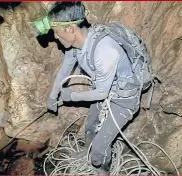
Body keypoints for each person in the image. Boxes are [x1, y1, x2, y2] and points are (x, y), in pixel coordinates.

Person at [32, 2, 143, 169]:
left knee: (99, 150)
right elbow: (65, 70)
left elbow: (100, 94)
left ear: (71, 29)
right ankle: (89, 156)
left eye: (56, 32)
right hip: (105, 90)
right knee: (90, 128)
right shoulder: (75, 46)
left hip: (123, 100)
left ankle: (100, 164)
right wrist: (53, 96)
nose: (55, 37)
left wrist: (72, 97)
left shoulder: (105, 51)